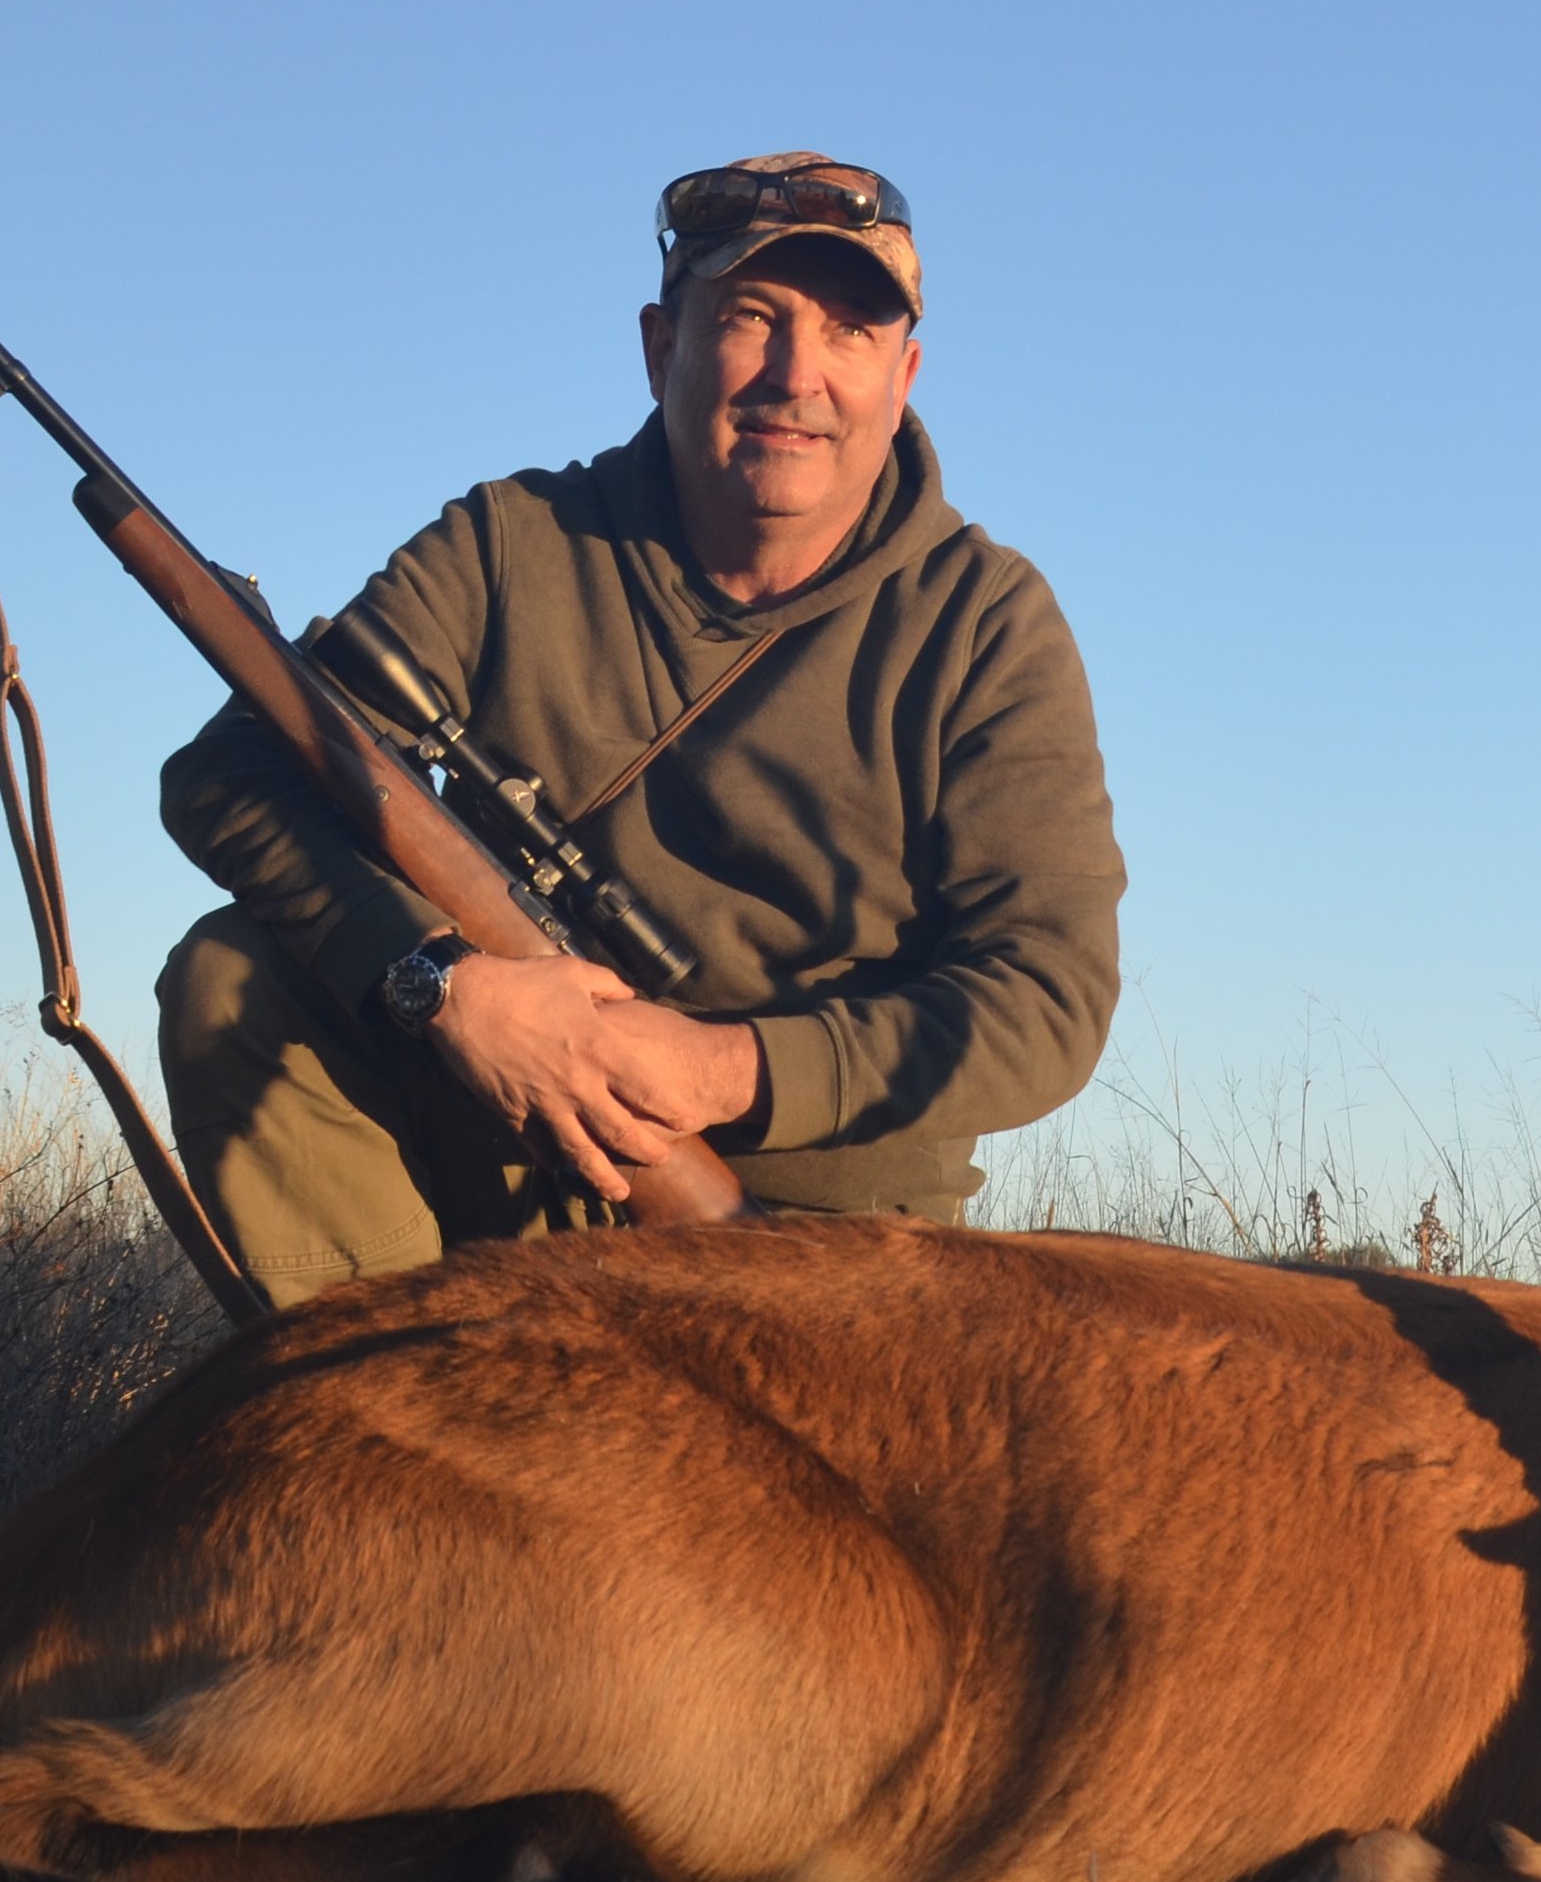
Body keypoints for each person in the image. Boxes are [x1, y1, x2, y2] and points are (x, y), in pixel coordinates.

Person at [153, 151, 1122, 1300]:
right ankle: (393, 1411)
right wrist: (445, 981)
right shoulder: (512, 540)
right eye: (750, 315)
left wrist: (723, 1071)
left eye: (850, 330)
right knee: (231, 979)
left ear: (901, 374)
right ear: (662, 346)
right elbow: (234, 768)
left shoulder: (986, 620)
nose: (794, 375)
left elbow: (1047, 995)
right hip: (503, 1129)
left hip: (814, 1229)